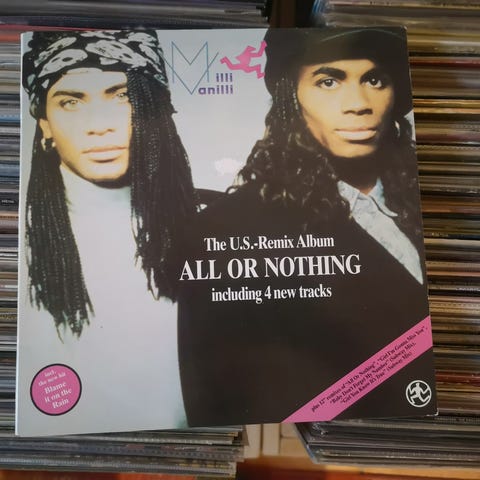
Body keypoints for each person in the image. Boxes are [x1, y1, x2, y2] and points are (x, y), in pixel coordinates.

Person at [178, 27, 434, 427]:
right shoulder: (225, 228)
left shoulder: (426, 195)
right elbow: (217, 403)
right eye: (328, 81)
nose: (359, 104)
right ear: (290, 97)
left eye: (374, 79)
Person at [17, 30, 196, 435]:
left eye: (122, 96)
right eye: (71, 101)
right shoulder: (17, 252)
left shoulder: (216, 224)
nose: (99, 126)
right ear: (44, 124)